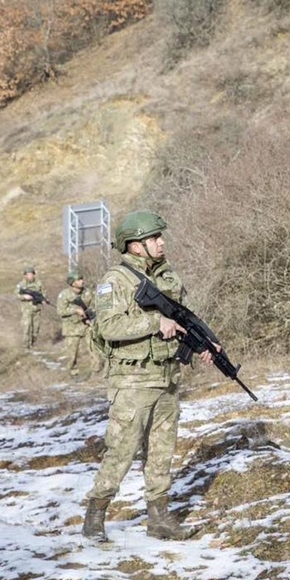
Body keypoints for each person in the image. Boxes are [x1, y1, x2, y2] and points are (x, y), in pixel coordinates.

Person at [82, 211, 211, 542]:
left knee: (161, 452)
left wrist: (202, 344)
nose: (162, 242)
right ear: (136, 246)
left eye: (160, 237)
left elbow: (181, 323)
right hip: (133, 383)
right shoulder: (117, 281)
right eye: (155, 238)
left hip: (167, 378)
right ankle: (94, 518)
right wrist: (154, 323)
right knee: (121, 452)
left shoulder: (167, 277)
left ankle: (160, 518)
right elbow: (108, 327)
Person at [57, 268, 101, 377]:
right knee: (72, 353)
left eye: (82, 279)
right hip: (72, 327)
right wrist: (75, 310)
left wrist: (90, 313)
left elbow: (94, 305)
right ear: (73, 282)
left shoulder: (87, 292)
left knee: (93, 348)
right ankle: (72, 372)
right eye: (79, 279)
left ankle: (96, 370)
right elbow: (60, 311)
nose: (82, 281)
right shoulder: (64, 295)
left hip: (87, 325)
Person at [16, 265, 45, 349]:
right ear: (25, 275)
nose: (30, 276)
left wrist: (43, 300)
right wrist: (24, 297)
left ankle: (33, 343)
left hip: (37, 309)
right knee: (27, 327)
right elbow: (16, 294)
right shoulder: (21, 285)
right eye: (28, 274)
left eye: (32, 274)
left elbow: (43, 293)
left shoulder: (39, 283)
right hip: (26, 309)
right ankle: (26, 345)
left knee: (36, 327)